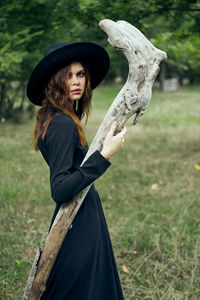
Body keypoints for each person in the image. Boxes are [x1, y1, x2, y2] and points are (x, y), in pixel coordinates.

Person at [27, 41, 127, 300]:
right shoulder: (62, 123)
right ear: (54, 80)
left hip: (79, 214)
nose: (76, 81)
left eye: (80, 74)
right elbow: (60, 189)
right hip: (78, 220)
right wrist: (105, 155)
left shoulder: (58, 116)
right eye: (68, 75)